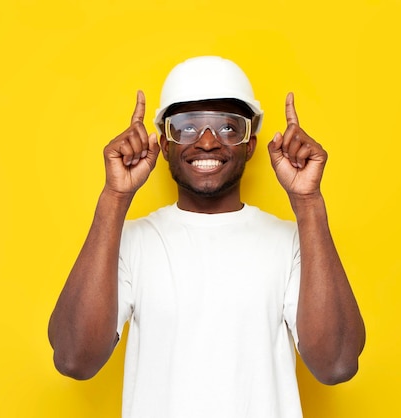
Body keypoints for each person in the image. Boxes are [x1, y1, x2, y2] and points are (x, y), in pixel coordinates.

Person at [48, 56, 365, 417]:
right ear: (163, 144)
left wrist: (309, 204)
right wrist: (114, 197)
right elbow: (73, 359)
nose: (209, 141)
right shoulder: (128, 243)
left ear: (251, 144)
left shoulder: (293, 243)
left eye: (229, 127)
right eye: (186, 126)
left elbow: (337, 364)